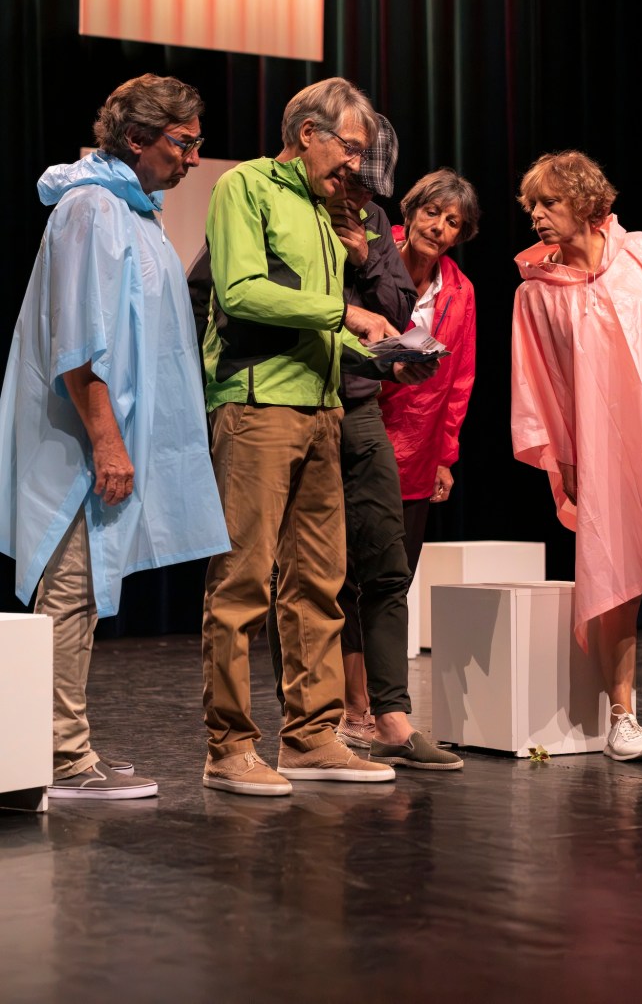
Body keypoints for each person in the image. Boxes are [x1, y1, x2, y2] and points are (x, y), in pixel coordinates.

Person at [0, 74, 230, 799]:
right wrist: (106, 440)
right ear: (136, 138)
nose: (193, 158)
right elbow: (79, 345)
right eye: (183, 143)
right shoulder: (91, 208)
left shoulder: (132, 211)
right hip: (81, 439)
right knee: (70, 586)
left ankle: (69, 743)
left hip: (102, 434)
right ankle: (59, 755)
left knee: (86, 587)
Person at [201, 78, 399, 797]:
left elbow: (316, 324)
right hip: (256, 405)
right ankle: (228, 748)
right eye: (349, 147)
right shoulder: (245, 187)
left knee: (319, 581)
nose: (354, 164)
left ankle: (311, 737)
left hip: (322, 408)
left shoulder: (325, 209)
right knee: (241, 580)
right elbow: (241, 291)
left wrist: (381, 352)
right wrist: (344, 314)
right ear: (308, 132)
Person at [266, 117, 463, 771]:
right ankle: (314, 725)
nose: (355, 190)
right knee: (305, 571)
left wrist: (364, 260)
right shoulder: (279, 203)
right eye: (349, 173)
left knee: (387, 560)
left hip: (356, 402)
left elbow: (397, 309)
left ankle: (392, 719)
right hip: (293, 395)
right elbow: (230, 292)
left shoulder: (371, 219)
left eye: (366, 182)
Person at [512, 149, 642, 763]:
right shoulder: (537, 294)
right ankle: (623, 715)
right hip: (601, 450)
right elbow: (540, 383)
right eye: (531, 205)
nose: (536, 215)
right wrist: (565, 457)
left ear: (585, 202)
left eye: (549, 202)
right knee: (616, 578)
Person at [378, 168, 479, 576]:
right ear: (411, 213)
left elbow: (459, 381)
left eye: (452, 222)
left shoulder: (461, 291)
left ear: (458, 236)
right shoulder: (372, 259)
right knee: (344, 575)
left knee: (397, 574)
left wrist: (444, 458)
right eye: (432, 212)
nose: (438, 228)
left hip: (418, 448)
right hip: (360, 431)